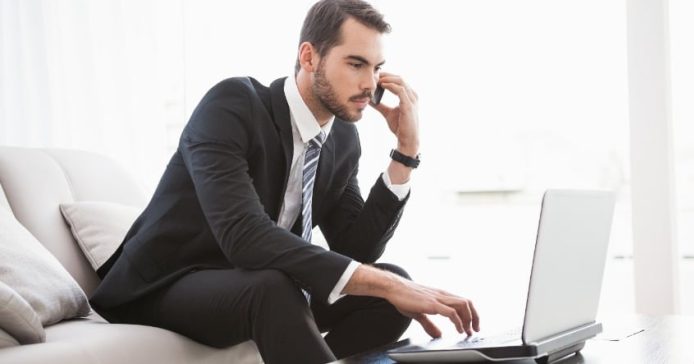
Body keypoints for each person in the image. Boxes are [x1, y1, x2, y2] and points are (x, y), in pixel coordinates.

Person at [90, 0, 479, 363]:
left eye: (377, 68)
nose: (370, 84)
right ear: (309, 57)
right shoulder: (232, 105)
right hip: (166, 284)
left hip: (261, 285)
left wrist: (405, 154)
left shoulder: (342, 139)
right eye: (356, 64)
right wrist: (384, 285)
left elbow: (356, 246)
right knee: (275, 287)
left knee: (391, 286)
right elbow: (244, 237)